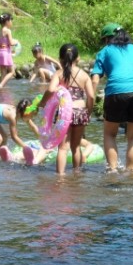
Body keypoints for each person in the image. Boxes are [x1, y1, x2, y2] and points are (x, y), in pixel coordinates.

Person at [91, 23, 133, 173]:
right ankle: (130, 173)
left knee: (109, 133)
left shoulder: (105, 51)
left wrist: (90, 102)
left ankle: (112, 171)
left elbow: (94, 80)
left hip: (116, 91)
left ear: (107, 39)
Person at [39, 43, 95, 174]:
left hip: (65, 113)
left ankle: (60, 177)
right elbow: (91, 96)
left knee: (63, 148)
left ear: (60, 59)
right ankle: (77, 175)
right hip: (80, 112)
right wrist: (89, 111)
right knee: (76, 147)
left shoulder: (59, 74)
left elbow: (51, 89)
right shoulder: (84, 75)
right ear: (78, 58)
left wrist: (42, 102)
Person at [0, 13, 19, 89]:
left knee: (3, 72)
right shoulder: (8, 31)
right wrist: (17, 42)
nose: (11, 23)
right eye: (11, 21)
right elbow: (11, 43)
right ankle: (1, 85)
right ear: (7, 22)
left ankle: (2, 87)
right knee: (12, 72)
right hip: (6, 53)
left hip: (0, 53)